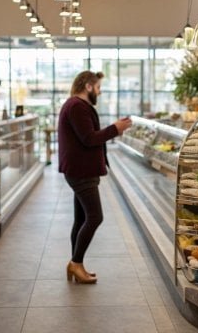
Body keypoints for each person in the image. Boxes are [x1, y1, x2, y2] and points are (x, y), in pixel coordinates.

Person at [58, 71, 132, 284]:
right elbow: (89, 138)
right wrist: (115, 129)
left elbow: (87, 137)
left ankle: (76, 263)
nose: (99, 91)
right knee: (95, 217)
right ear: (89, 86)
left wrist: (114, 129)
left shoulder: (75, 106)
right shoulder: (77, 107)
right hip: (81, 171)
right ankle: (75, 263)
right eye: (98, 87)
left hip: (80, 169)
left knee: (81, 219)